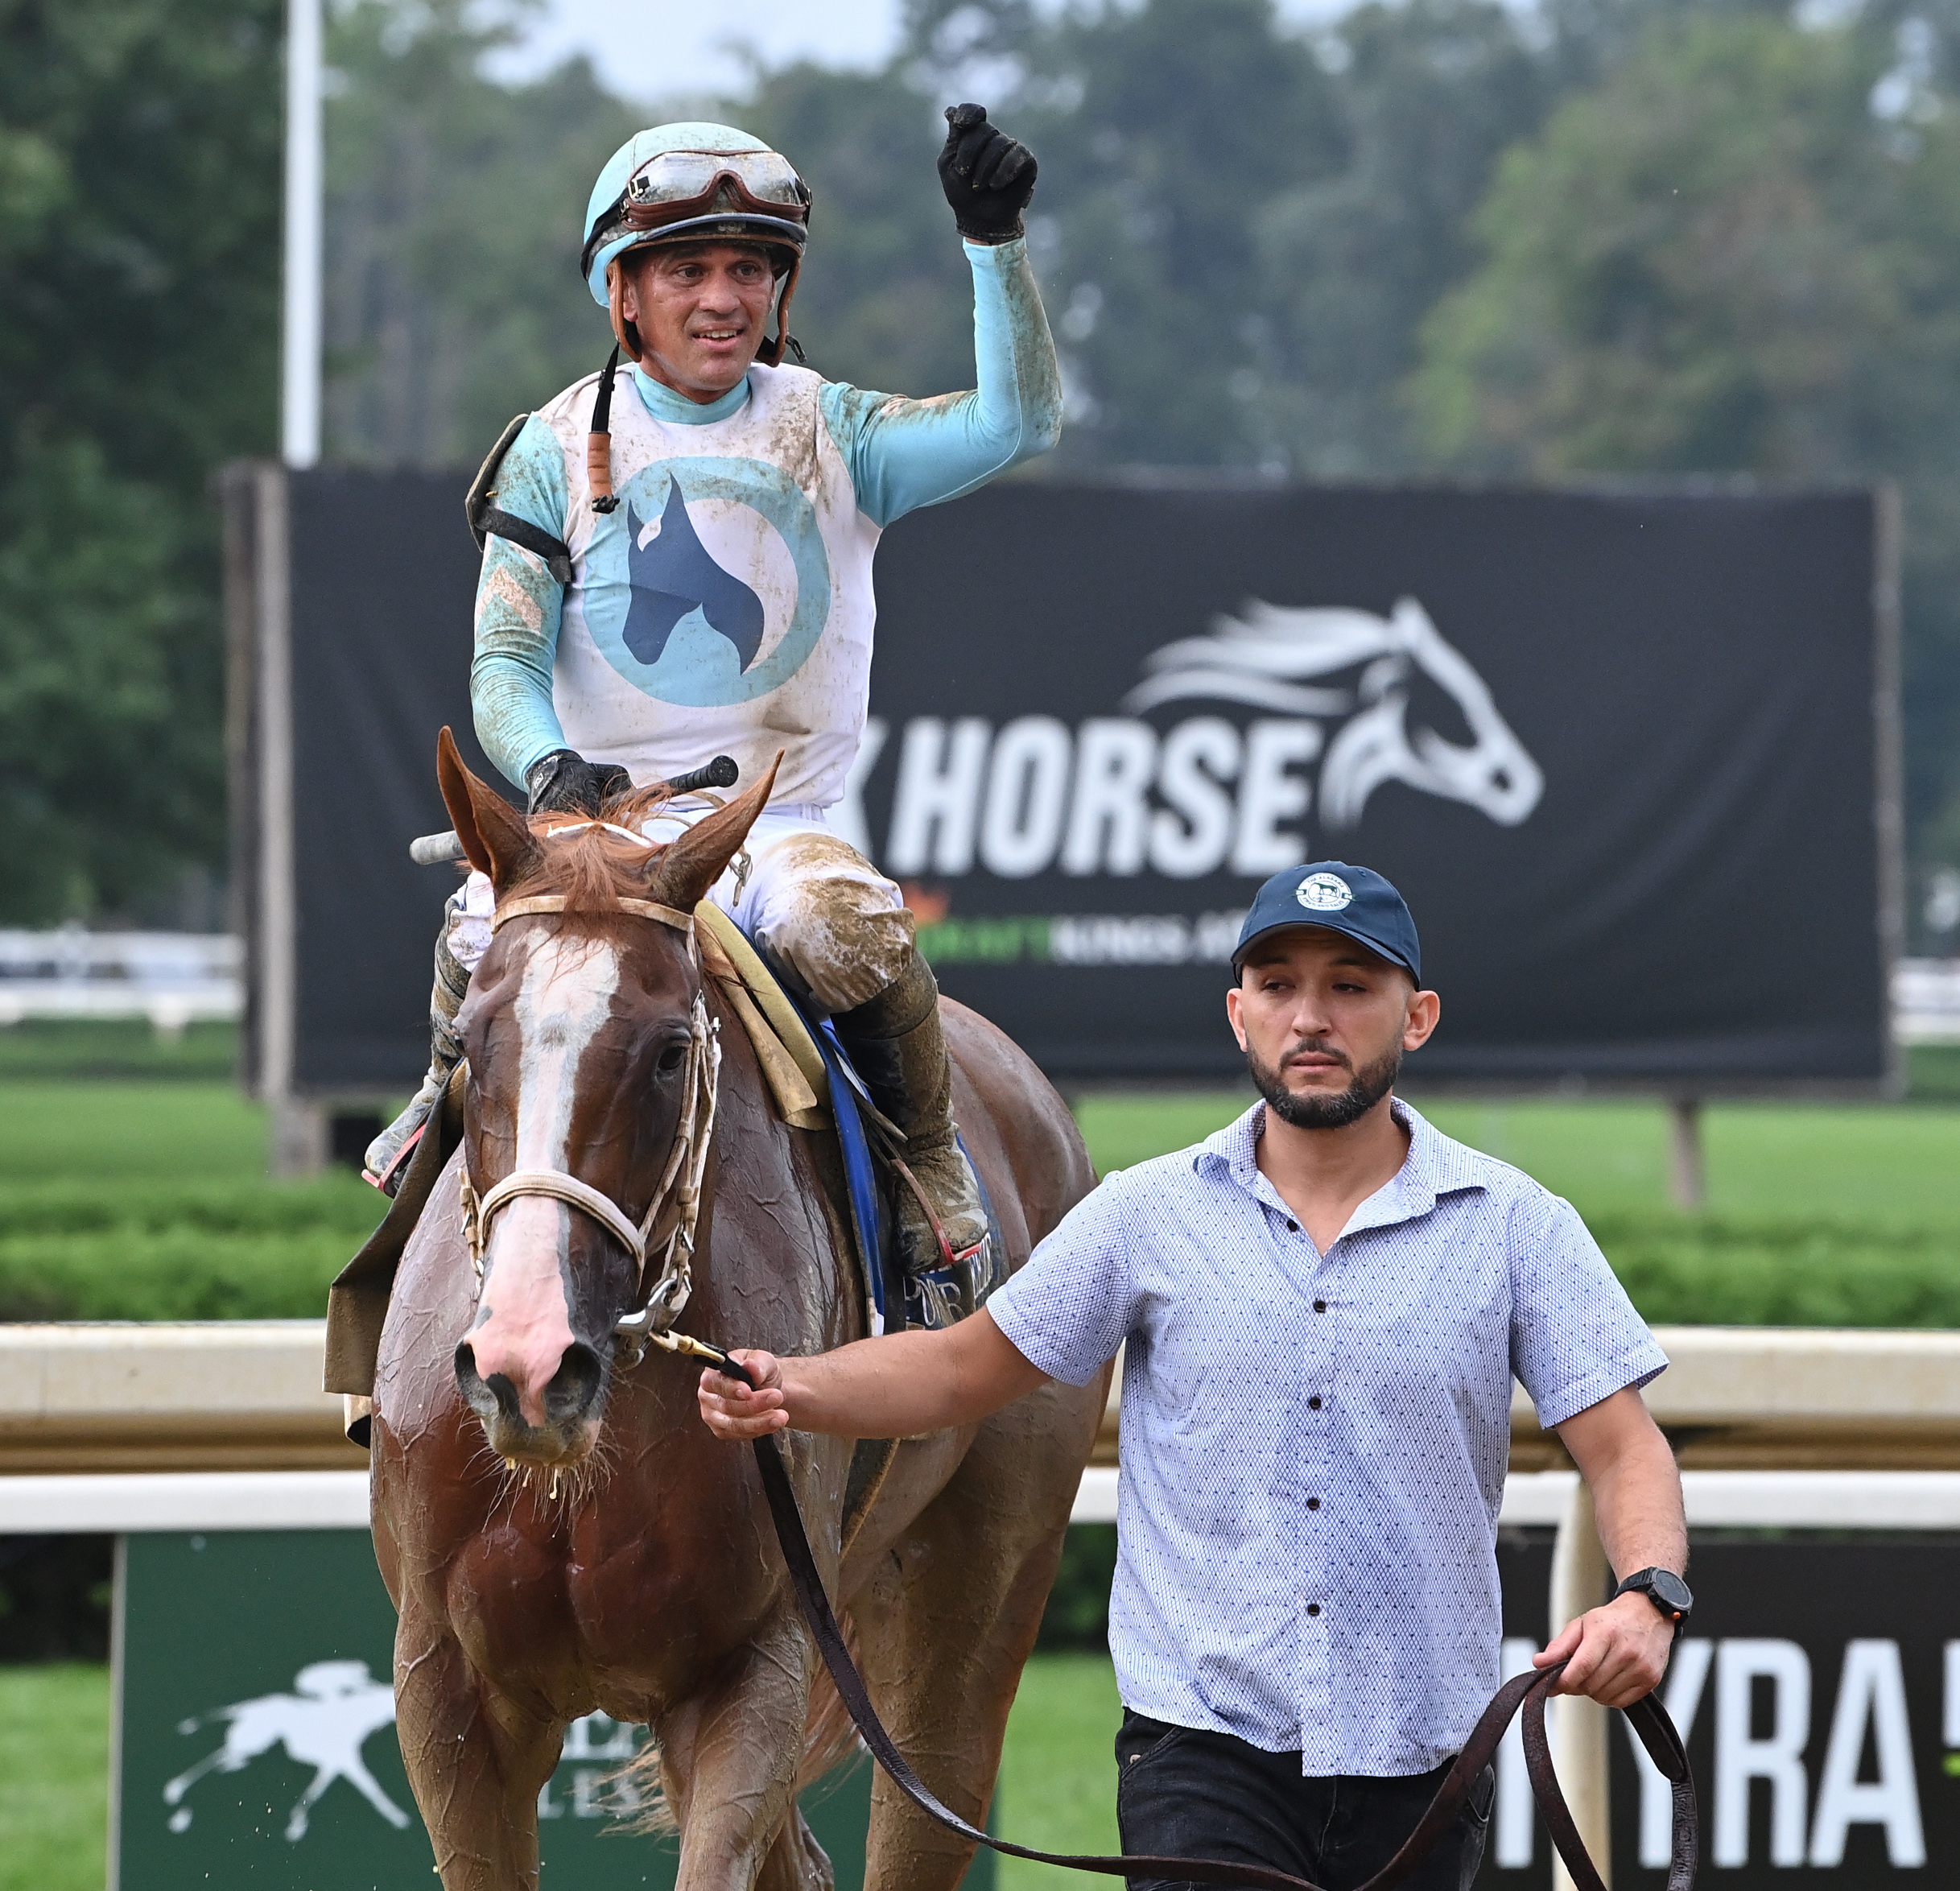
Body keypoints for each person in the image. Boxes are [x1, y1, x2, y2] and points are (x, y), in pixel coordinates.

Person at [698, 861, 1692, 1890]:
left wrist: (1646, 1599)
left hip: (1425, 1769)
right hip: (1198, 1760)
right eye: (1277, 986)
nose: (1309, 1017)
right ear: (1237, 1014)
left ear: (1418, 1017)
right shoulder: (1144, 1214)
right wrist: (795, 1385)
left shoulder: (1518, 1226)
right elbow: (960, 1368)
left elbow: (1623, 1451)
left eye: (1350, 987)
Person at [365, 105, 1063, 1302]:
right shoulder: (545, 449)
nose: (722, 297)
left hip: (777, 830)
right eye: (686, 268)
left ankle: (930, 1171)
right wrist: (542, 764)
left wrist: (991, 245)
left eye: (749, 268)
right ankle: (438, 1129)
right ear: (622, 293)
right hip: (599, 834)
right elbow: (503, 666)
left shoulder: (836, 430)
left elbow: (1017, 422)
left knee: (843, 923)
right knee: (476, 928)